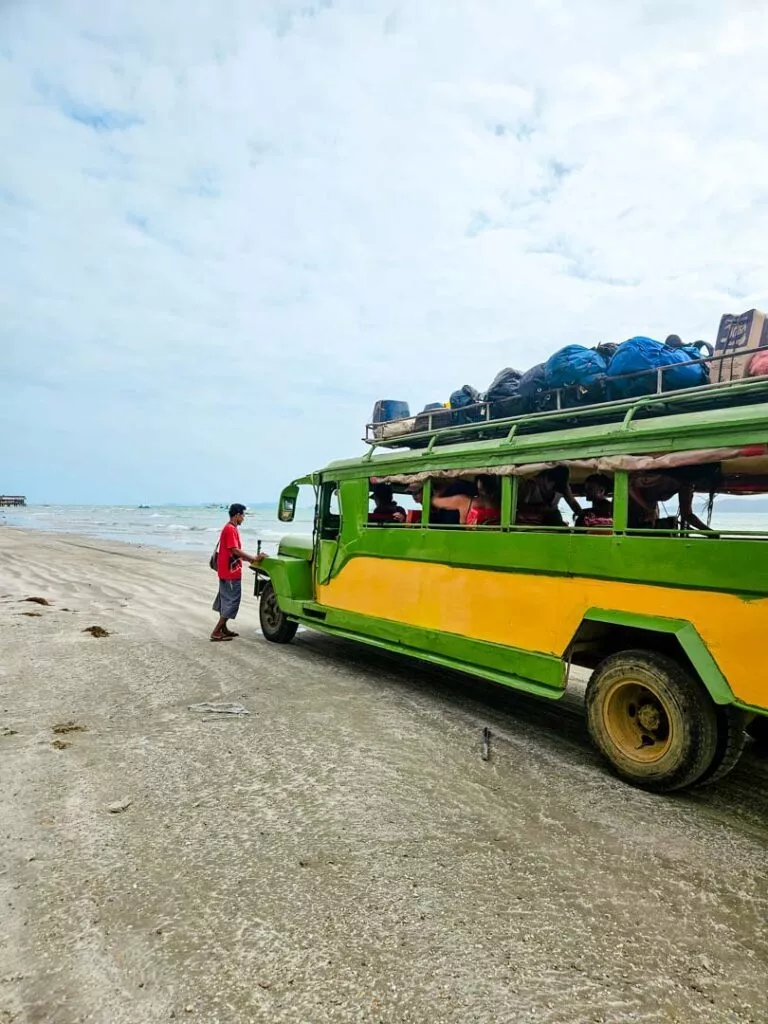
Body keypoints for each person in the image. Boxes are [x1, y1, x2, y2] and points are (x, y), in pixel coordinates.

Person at [211, 503, 265, 642]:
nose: (244, 518)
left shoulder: (230, 528)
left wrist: (249, 560)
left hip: (225, 570)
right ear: (237, 515)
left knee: (225, 599)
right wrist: (253, 558)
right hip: (230, 572)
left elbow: (233, 551)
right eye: (243, 515)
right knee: (232, 600)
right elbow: (235, 550)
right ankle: (217, 631)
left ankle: (223, 628)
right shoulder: (230, 529)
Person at [628, 465, 718, 532]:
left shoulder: (686, 486)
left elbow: (687, 515)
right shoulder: (663, 476)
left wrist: (709, 532)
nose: (703, 486)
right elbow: (630, 485)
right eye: (704, 483)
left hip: (647, 513)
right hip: (627, 508)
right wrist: (647, 507)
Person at [516, 466, 581, 526]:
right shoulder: (531, 484)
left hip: (554, 519)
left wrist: (582, 515)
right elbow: (520, 506)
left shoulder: (563, 487)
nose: (552, 488)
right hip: (532, 520)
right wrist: (539, 508)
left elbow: (572, 503)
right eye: (551, 484)